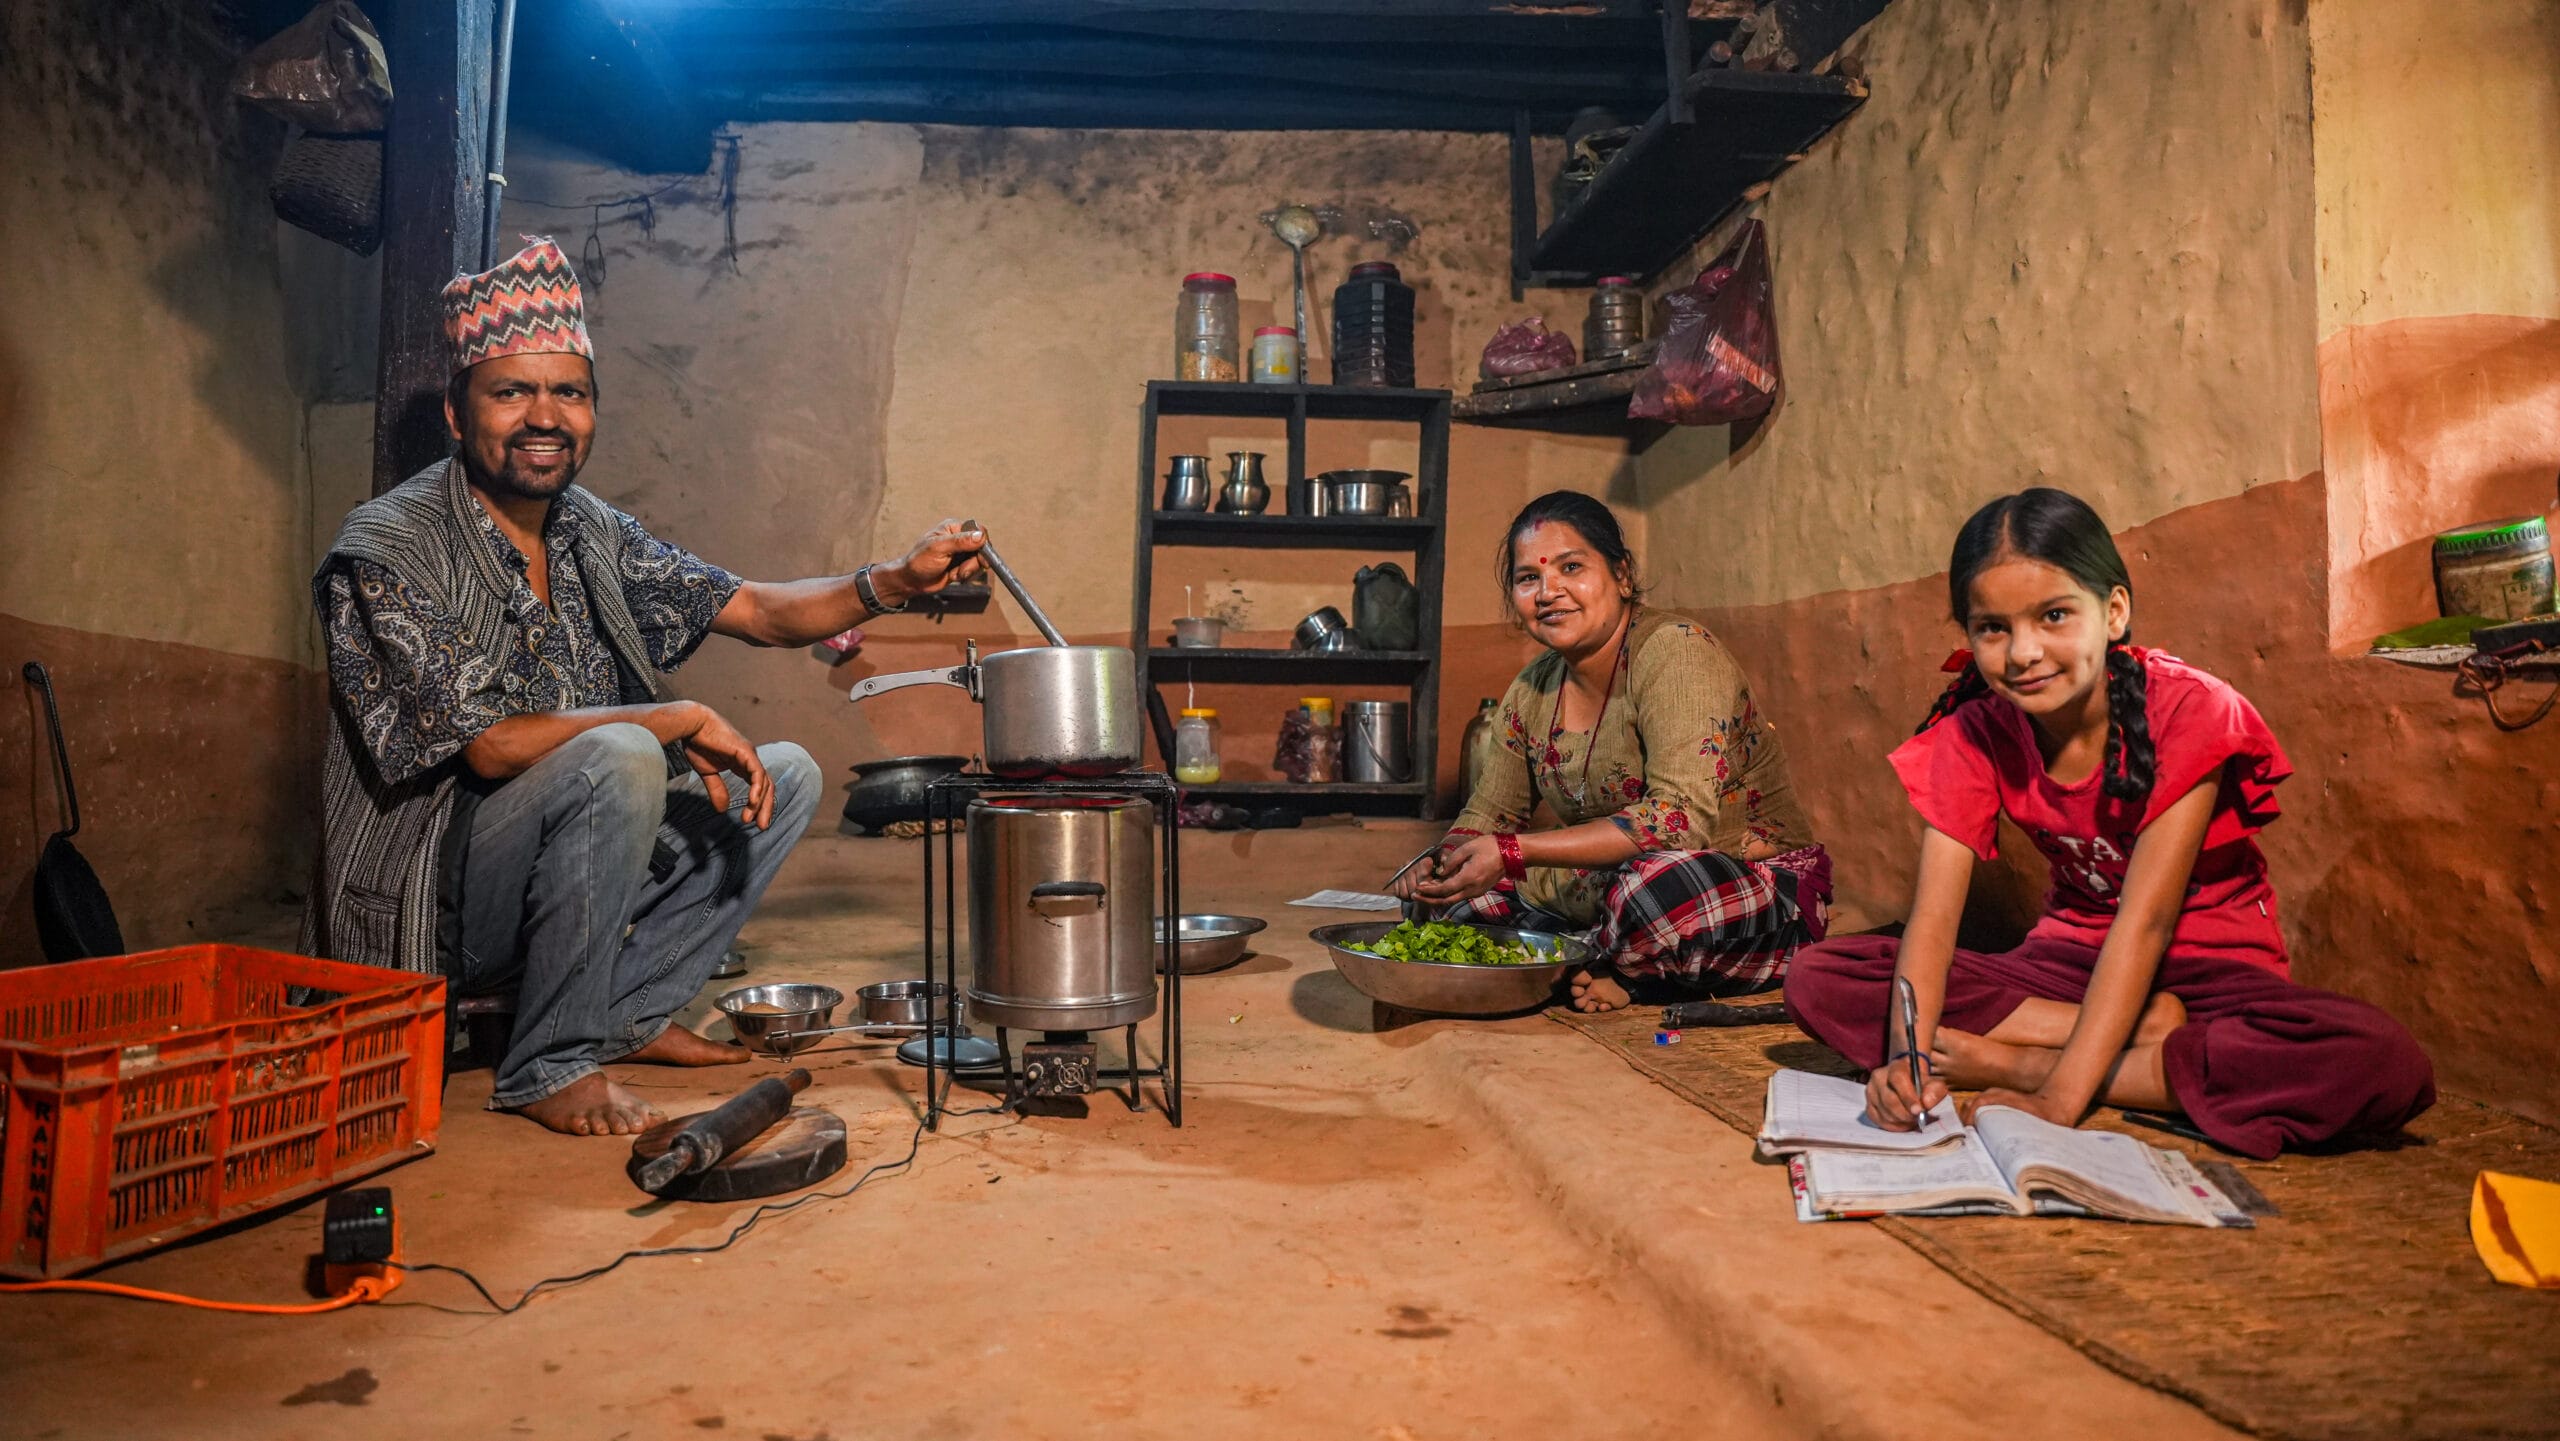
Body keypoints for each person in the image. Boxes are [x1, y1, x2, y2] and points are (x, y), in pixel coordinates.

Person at [306, 238, 986, 1137]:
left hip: (567, 867)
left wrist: (892, 580)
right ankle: (551, 1059)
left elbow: (751, 607)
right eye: (511, 391)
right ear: (457, 413)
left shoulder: (588, 529)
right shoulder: (388, 546)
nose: (544, 415)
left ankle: (626, 1015)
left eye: (570, 393)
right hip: (435, 907)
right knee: (623, 751)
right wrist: (665, 718)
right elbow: (487, 745)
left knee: (788, 773)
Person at [1785, 488, 2435, 1159]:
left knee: (2379, 1059)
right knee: (1820, 976)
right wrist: (1909, 1063)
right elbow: (1931, 924)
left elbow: (2146, 923)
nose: (2022, 652)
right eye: (1993, 628)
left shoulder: (2190, 709)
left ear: (2114, 611)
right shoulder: (1973, 730)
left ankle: (2034, 1058)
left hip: (2208, 970)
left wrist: (2054, 1090)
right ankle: (2127, 1039)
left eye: (2055, 615)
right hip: (2067, 964)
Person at [1400, 491, 1831, 1013]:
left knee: (1652, 893)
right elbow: (1488, 815)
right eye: (1527, 578)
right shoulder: (1532, 689)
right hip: (1603, 889)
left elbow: (1678, 825)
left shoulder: (1675, 652)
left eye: (1572, 567)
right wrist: (1440, 865)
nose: (1548, 592)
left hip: (1734, 890)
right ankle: (1601, 961)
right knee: (1455, 903)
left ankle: (1609, 964)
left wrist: (1516, 851)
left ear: (1623, 576)